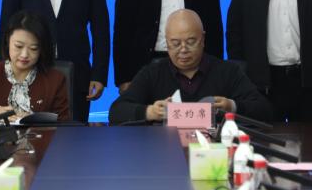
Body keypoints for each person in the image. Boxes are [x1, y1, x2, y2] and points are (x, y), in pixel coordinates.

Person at [109, 9, 273, 124]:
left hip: (215, 153)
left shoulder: (227, 71)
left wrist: (232, 106)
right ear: (166, 42)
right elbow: (116, 111)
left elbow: (265, 110)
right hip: (164, 152)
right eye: (175, 43)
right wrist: (150, 112)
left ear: (203, 39)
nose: (183, 50)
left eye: (191, 42)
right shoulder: (152, 73)